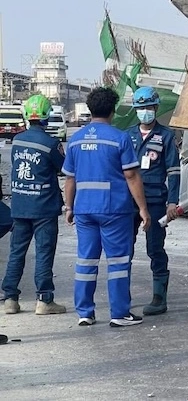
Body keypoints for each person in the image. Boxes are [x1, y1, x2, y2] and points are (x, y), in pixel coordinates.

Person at [62, 87, 150, 327]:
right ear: (113, 111)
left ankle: (85, 313)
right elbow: (131, 175)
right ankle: (120, 313)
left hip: (84, 209)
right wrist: (143, 208)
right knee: (118, 262)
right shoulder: (119, 138)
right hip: (114, 210)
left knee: (86, 261)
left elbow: (70, 179)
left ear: (90, 110)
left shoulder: (76, 139)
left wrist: (69, 207)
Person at [2, 94, 67, 316]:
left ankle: (10, 299)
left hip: (20, 206)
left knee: (16, 253)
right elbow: (64, 168)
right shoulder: (51, 144)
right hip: (44, 209)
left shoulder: (17, 140)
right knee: (43, 253)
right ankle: (44, 300)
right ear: (48, 116)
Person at [126, 86, 180, 316]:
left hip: (156, 200)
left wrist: (172, 202)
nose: (145, 112)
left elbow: (174, 171)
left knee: (155, 248)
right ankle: (122, 296)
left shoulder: (166, 136)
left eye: (149, 107)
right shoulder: (127, 135)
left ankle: (159, 298)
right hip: (129, 201)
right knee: (124, 249)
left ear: (156, 108)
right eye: (141, 108)